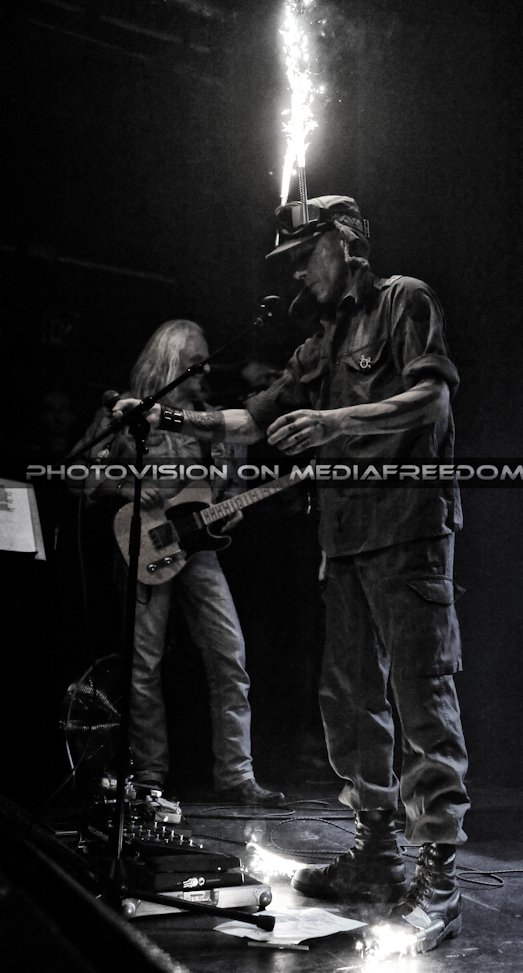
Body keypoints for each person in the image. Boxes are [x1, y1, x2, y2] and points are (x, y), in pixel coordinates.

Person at [114, 197, 470, 951]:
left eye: (306, 256)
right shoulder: (322, 339)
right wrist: (168, 419)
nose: (298, 274)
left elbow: (433, 398)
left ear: (343, 243)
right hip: (344, 542)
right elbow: (252, 417)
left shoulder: (403, 300)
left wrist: (335, 423)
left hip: (407, 532)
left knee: (421, 698)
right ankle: (377, 858)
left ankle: (438, 879)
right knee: (350, 703)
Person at [80, 319, 284, 809]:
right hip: (144, 544)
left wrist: (232, 506)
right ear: (172, 361)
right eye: (197, 360)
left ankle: (237, 774)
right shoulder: (126, 413)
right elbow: (82, 477)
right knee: (143, 663)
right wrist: (127, 487)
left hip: (200, 551)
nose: (206, 369)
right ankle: (149, 774)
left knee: (229, 653)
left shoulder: (214, 422)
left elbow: (233, 485)